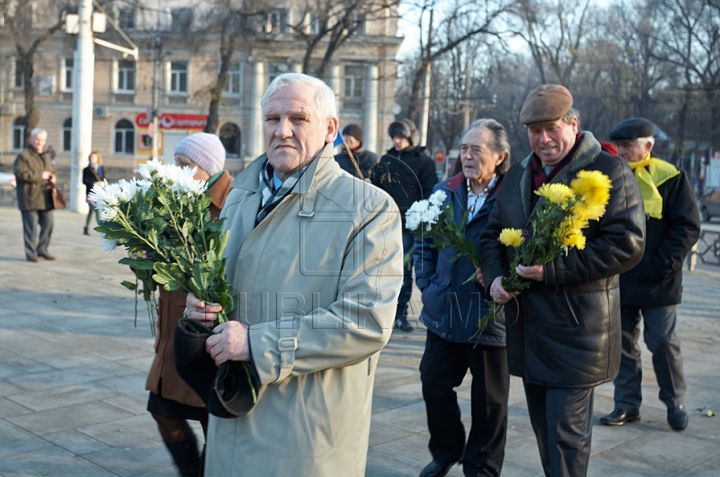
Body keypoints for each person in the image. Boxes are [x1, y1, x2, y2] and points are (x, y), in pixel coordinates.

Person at [183, 73, 403, 477]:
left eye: (298, 118)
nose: (282, 130)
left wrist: (258, 343)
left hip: (305, 433)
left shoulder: (369, 208)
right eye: (272, 118)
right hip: (233, 413)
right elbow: (227, 284)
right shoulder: (239, 196)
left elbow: (366, 321)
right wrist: (201, 305)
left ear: (330, 129)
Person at [478, 84, 646, 477]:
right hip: (528, 329)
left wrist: (552, 271)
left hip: (578, 330)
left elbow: (628, 244)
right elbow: (491, 233)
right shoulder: (519, 173)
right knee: (544, 431)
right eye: (535, 131)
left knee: (565, 436)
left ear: (573, 124)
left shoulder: (607, 170)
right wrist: (495, 279)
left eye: (551, 128)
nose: (543, 139)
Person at [415, 119, 510, 477]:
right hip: (445, 311)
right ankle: (446, 451)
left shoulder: (512, 197)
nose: (467, 156)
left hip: (489, 316)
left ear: (499, 157)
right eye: (464, 149)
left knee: (489, 403)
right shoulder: (445, 190)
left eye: (477, 150)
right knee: (434, 384)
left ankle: (481, 467)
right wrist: (427, 282)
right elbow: (423, 240)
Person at [600, 117, 700, 431]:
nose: (624, 151)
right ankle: (627, 405)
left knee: (663, 343)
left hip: (659, 280)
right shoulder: (611, 177)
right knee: (623, 346)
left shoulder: (672, 178)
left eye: (630, 146)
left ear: (649, 146)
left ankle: (675, 402)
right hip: (621, 277)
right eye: (621, 146)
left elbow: (688, 226)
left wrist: (663, 264)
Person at [145, 132, 233, 476]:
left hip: (206, 333)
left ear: (207, 167)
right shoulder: (178, 199)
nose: (176, 170)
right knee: (162, 408)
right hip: (172, 331)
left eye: (185, 164)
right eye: (176, 162)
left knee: (218, 422)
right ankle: (192, 471)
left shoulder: (230, 202)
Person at [371, 118, 438, 332]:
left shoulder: (424, 161)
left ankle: (400, 315)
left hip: (410, 227)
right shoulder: (387, 159)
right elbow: (377, 187)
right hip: (385, 225)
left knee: (403, 271)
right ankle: (381, 314)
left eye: (401, 137)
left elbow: (431, 192)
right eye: (394, 137)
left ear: (410, 137)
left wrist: (422, 218)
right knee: (381, 271)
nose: (397, 141)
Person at [14, 128, 57, 262]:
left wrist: (52, 176)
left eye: (42, 140)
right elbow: (20, 174)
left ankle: (42, 249)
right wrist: (40, 176)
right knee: (30, 228)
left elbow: (52, 169)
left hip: (45, 197)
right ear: (32, 139)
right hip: (29, 197)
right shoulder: (24, 155)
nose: (39, 142)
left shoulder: (46, 155)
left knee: (49, 224)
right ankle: (31, 253)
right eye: (37, 139)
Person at [82, 151, 105, 235]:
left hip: (99, 193)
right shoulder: (86, 169)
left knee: (91, 211)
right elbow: (84, 181)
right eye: (91, 157)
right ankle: (101, 227)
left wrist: (102, 184)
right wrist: (93, 183)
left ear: (97, 158)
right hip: (90, 193)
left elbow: (103, 178)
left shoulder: (100, 169)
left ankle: (86, 227)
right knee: (96, 209)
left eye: (94, 157)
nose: (92, 159)